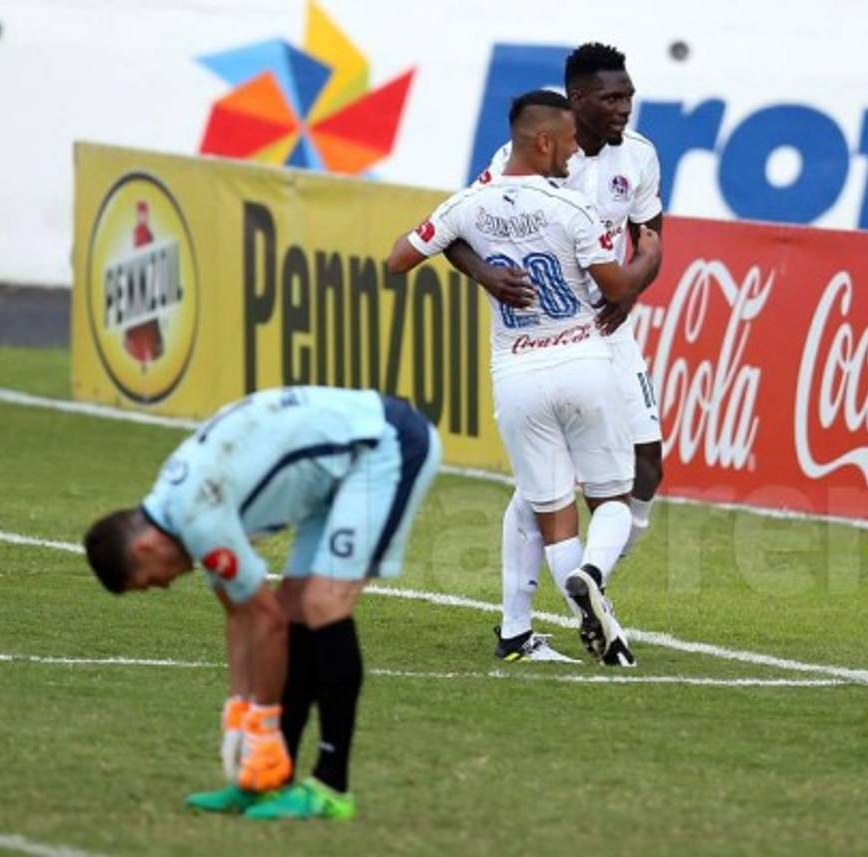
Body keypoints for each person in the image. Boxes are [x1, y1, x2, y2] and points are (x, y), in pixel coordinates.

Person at [388, 89, 661, 667]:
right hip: (583, 362)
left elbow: (398, 259)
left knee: (552, 512)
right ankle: (592, 576)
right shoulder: (572, 208)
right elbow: (618, 288)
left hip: (515, 374)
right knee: (612, 497)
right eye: (567, 143)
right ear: (543, 141)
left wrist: (486, 272)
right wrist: (649, 257)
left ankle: (564, 622)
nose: (573, 153)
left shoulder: (468, 204)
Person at [82, 386, 441, 821]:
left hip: (383, 445)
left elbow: (266, 622)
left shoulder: (197, 515)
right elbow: (239, 613)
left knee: (324, 603)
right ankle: (270, 779)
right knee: (294, 603)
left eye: (149, 582)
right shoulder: (175, 510)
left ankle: (331, 788)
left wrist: (262, 724)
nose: (163, 585)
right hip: (337, 469)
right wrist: (238, 711)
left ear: (143, 549)